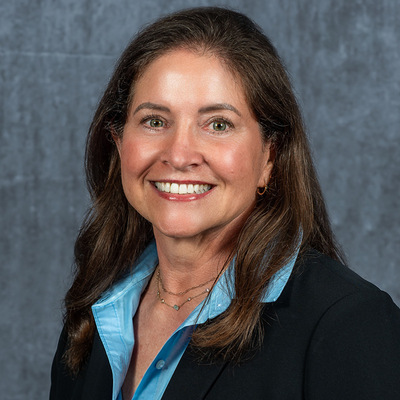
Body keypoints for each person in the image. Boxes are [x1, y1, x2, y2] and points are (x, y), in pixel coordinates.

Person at [50, 6, 400, 400]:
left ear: (269, 156)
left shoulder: (348, 324)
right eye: (154, 121)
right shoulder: (97, 309)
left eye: (218, 124)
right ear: (117, 141)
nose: (179, 155)